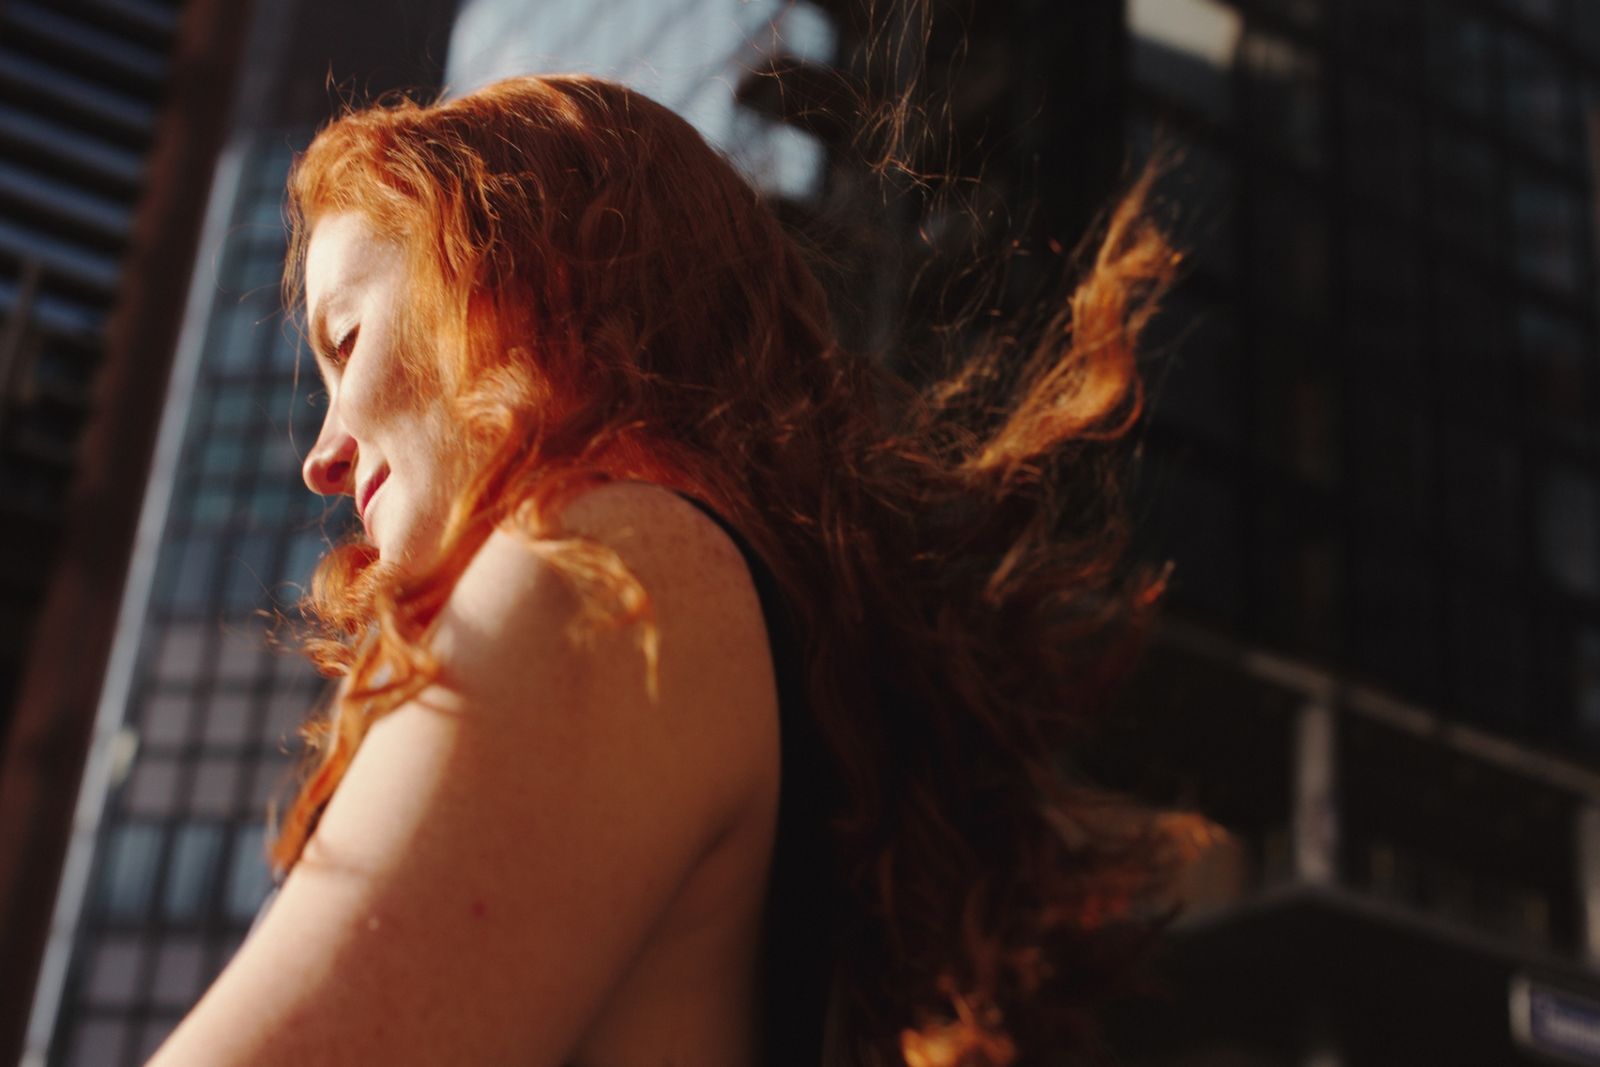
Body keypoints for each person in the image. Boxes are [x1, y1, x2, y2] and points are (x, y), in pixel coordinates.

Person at [146, 72, 1187, 1067]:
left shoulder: (599, 568)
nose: (319, 457)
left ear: (522, 277)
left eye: (348, 336)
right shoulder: (725, 609)